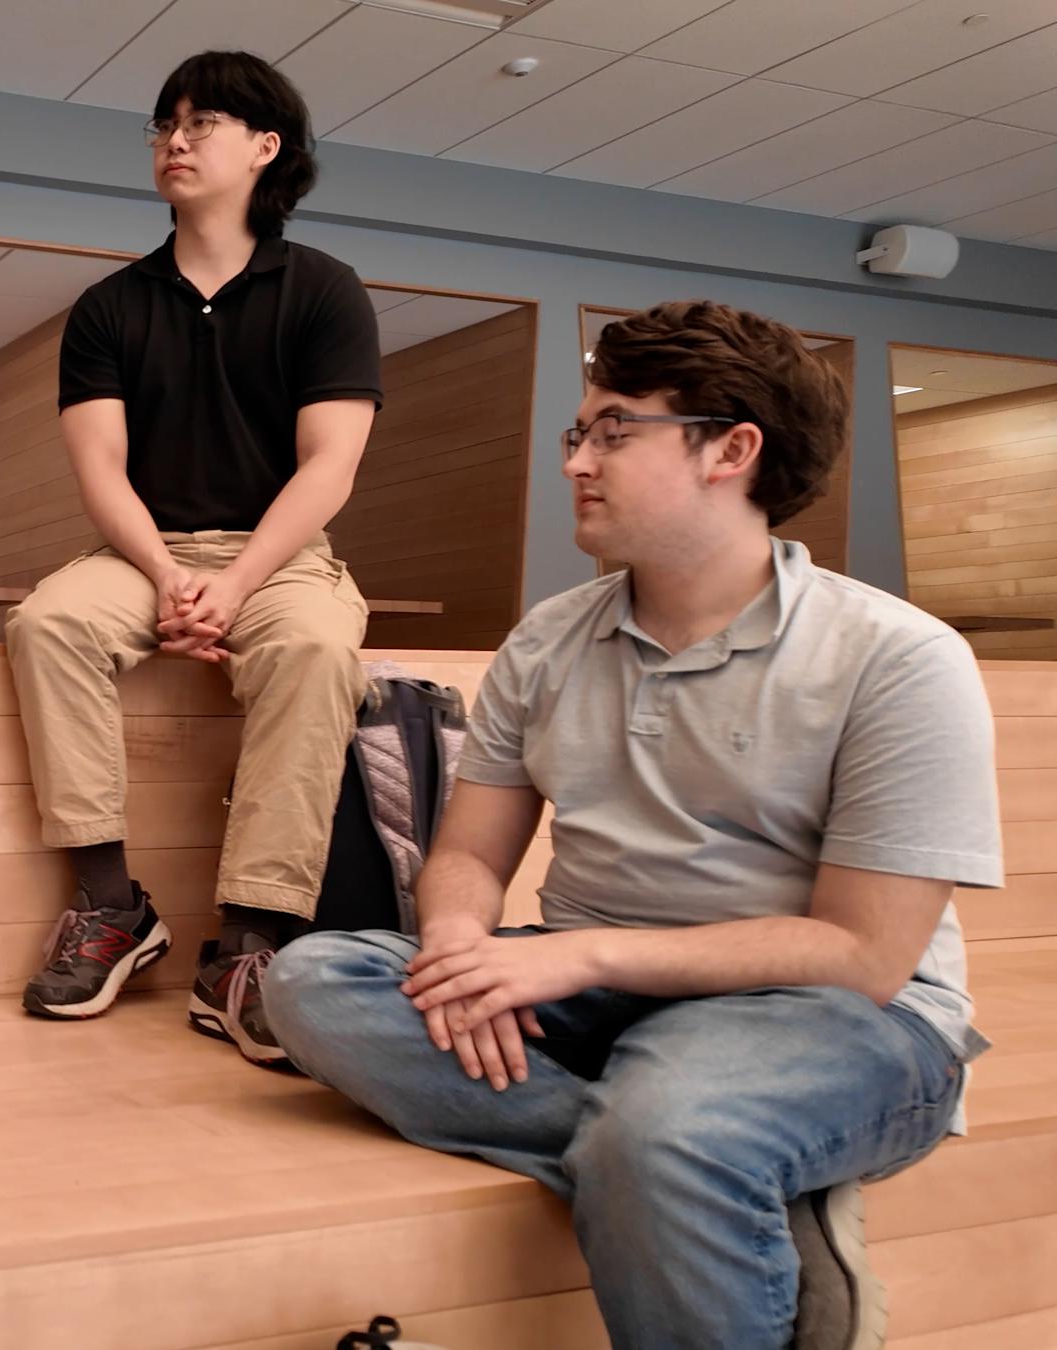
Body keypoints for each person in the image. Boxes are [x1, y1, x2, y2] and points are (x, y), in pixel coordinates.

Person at [266, 300, 995, 1350]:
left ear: (732, 451)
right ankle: (725, 1178)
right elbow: (471, 851)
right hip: (597, 995)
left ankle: (682, 1149)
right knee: (314, 983)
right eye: (580, 434)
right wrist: (459, 943)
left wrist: (580, 959)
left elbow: (865, 956)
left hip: (833, 1016)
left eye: (614, 431)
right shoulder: (549, 640)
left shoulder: (897, 658)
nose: (577, 462)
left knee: (664, 1132)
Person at [3, 50, 381, 1057]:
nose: (175, 138)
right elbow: (101, 474)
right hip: (141, 548)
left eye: (202, 121)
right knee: (48, 624)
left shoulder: (326, 292)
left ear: (267, 148)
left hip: (282, 555)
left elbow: (329, 467)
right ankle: (111, 905)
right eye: (165, 123)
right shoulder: (109, 308)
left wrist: (238, 582)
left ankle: (247, 945)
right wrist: (172, 579)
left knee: (314, 651)